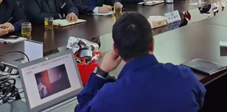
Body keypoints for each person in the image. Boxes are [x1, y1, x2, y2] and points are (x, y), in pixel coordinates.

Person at [75, 12, 206, 111]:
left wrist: (101, 72)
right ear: (152, 44)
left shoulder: (108, 96)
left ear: (115, 50)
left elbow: (82, 108)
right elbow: (200, 98)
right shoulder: (185, 76)